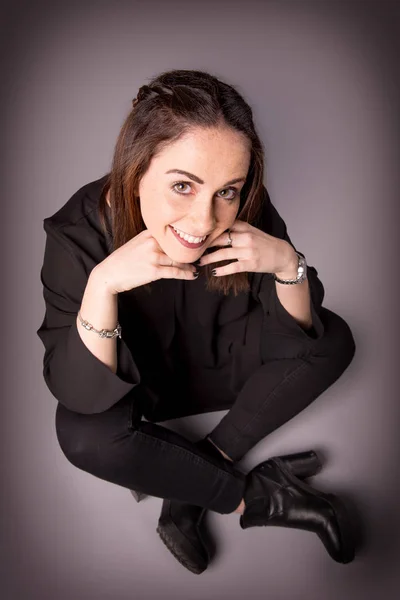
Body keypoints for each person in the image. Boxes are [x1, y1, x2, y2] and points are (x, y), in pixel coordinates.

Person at [36, 69, 357, 575]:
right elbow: (81, 391)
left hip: (221, 363)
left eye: (226, 191)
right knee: (83, 435)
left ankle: (193, 479)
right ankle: (254, 499)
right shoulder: (76, 232)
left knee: (333, 338)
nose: (205, 221)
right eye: (182, 185)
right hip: (143, 385)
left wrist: (286, 264)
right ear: (136, 168)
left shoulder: (241, 207)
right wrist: (102, 286)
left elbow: (296, 337)